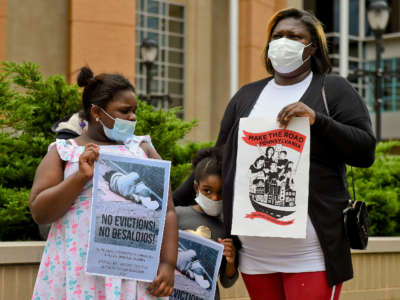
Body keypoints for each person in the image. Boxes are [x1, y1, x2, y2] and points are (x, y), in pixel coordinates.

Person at [173, 8, 376, 300]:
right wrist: (167, 203)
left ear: (312, 47)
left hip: (312, 253)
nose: (284, 42)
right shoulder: (246, 95)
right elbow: (216, 160)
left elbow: (365, 150)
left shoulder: (331, 89)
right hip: (255, 255)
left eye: (295, 36)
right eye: (277, 36)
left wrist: (319, 121)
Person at [29, 66, 178, 300]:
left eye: (134, 111)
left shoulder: (142, 149)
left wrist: (169, 263)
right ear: (97, 112)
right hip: (79, 267)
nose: (133, 117)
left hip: (134, 269)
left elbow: (167, 210)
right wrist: (80, 177)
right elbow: (40, 212)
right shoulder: (63, 152)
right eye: (125, 111)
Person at [175, 147, 238, 300]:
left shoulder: (226, 227)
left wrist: (231, 260)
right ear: (196, 188)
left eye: (221, 192)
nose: (215, 198)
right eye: (207, 191)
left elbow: (227, 281)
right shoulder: (177, 215)